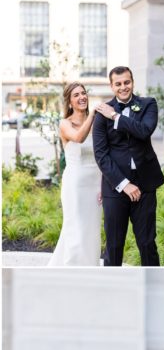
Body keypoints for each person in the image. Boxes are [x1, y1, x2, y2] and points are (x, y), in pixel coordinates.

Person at [93, 66, 164, 266]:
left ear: (132, 82)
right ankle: (111, 292)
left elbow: (144, 131)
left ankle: (153, 286)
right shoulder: (101, 114)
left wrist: (116, 116)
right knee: (114, 246)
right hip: (115, 186)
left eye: (127, 82)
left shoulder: (148, 104)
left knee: (147, 242)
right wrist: (124, 184)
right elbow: (101, 155)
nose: (123, 87)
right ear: (112, 86)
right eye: (118, 84)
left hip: (145, 184)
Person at [49, 83, 102, 267]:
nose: (82, 97)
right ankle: (71, 269)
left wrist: (105, 184)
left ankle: (90, 268)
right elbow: (79, 137)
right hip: (75, 184)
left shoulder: (98, 122)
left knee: (91, 230)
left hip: (95, 183)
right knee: (76, 229)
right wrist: (93, 114)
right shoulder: (65, 123)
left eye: (84, 93)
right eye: (76, 95)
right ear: (70, 102)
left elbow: (103, 154)